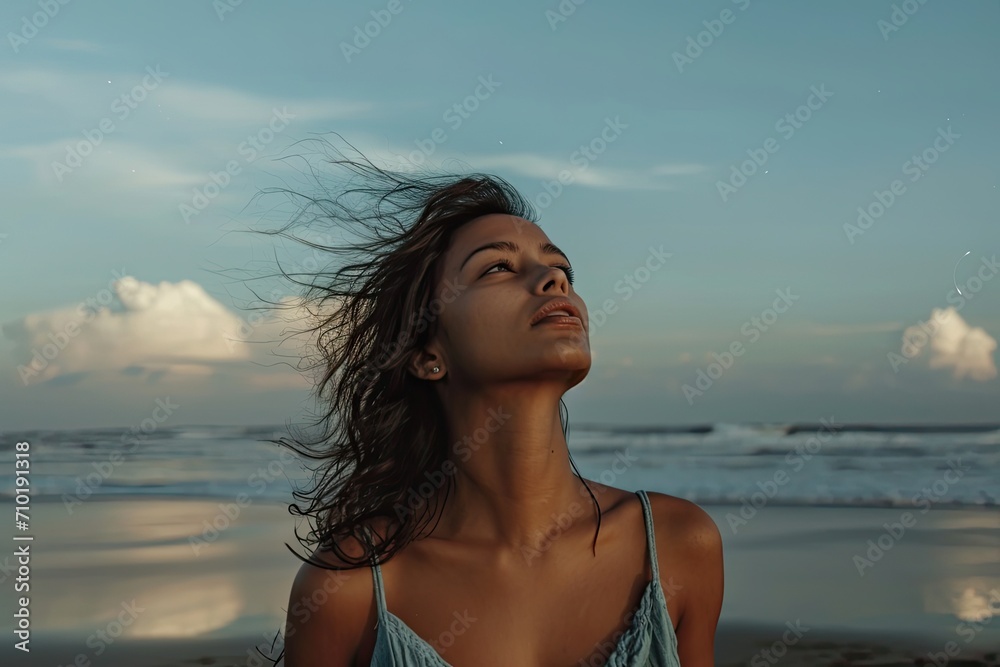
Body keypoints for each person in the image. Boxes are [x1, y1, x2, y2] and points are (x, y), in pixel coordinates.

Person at [263, 137, 724, 666]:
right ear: (426, 353)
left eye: (562, 270)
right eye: (497, 268)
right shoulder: (350, 587)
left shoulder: (675, 546)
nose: (553, 279)